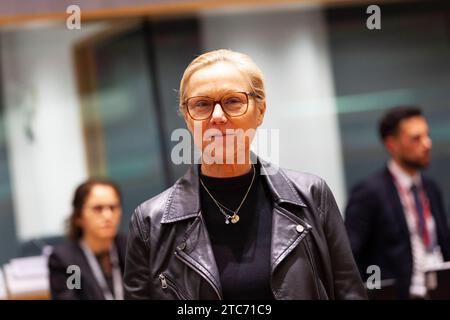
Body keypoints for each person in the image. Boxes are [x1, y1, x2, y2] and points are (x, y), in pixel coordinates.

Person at [123, 49, 366, 300]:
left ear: (260, 111)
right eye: (202, 104)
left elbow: (349, 291)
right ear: (187, 117)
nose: (217, 117)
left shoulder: (312, 196)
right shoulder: (150, 221)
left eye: (232, 101)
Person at [345, 106, 450, 299]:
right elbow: (350, 256)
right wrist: (373, 293)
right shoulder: (369, 193)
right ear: (392, 144)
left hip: (439, 291)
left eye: (427, 135)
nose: (427, 143)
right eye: (416, 138)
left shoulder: (431, 189)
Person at [48, 179, 127, 300]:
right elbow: (71, 297)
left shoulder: (131, 249)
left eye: (113, 207)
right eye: (98, 209)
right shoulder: (70, 262)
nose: (108, 216)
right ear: (79, 216)